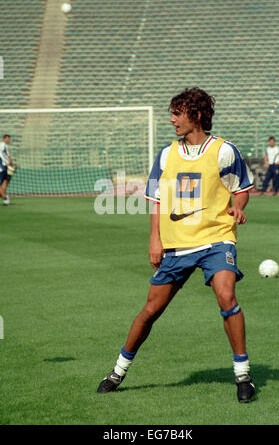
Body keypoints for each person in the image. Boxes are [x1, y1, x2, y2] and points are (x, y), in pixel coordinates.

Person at [97, 87, 255, 403]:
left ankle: (243, 376)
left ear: (196, 115)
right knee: (151, 310)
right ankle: (118, 370)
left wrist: (239, 206)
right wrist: (154, 239)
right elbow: (155, 200)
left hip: (216, 238)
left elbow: (241, 188)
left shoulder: (225, 151)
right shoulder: (167, 154)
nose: (172, 120)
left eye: (177, 113)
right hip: (176, 245)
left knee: (226, 296)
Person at [0, 134, 13, 205]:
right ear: (4, 139)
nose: (9, 140)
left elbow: (8, 156)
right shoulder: (2, 145)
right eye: (7, 138)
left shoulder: (6, 146)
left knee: (5, 182)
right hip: (1, 167)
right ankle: (5, 198)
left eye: (9, 138)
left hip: (5, 167)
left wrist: (11, 163)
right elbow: (1, 154)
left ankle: (4, 197)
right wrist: (8, 162)